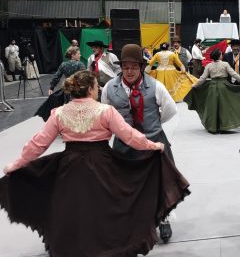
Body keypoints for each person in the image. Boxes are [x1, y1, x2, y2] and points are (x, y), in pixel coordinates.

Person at [1, 70, 189, 255]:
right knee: (106, 207)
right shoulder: (105, 111)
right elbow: (129, 136)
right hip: (103, 165)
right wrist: (152, 145)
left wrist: (16, 165)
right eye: (96, 87)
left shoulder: (59, 113)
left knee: (76, 208)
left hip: (70, 167)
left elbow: (38, 144)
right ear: (91, 89)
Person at [101, 44, 182, 242]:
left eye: (134, 67)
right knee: (127, 184)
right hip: (123, 145)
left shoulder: (155, 86)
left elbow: (170, 109)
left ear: (141, 67)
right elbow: (104, 114)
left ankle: (163, 219)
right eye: (126, 67)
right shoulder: (110, 88)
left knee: (159, 182)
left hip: (153, 142)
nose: (129, 71)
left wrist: (154, 125)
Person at [186, 49, 240, 132]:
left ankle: (213, 126)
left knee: (213, 107)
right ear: (220, 56)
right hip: (223, 87)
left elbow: (202, 79)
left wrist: (194, 85)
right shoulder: (225, 64)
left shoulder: (209, 66)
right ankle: (225, 125)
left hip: (212, 87)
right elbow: (234, 74)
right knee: (224, 107)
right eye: (221, 54)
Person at [35, 46, 86, 121]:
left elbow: (57, 76)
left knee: (67, 107)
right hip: (78, 91)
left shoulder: (63, 64)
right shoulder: (80, 65)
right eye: (78, 54)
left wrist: (51, 87)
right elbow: (85, 78)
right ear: (73, 55)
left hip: (67, 90)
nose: (80, 55)